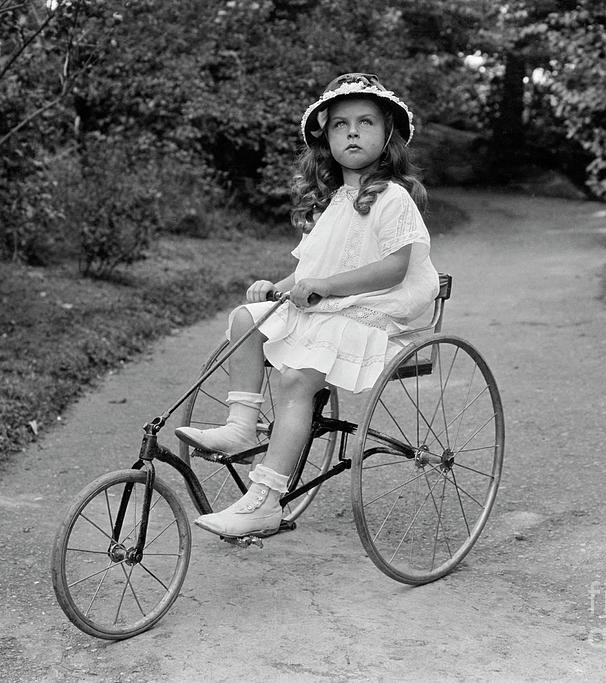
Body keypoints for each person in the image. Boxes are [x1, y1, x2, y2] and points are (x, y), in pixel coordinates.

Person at [176, 72, 440, 537]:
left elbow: (393, 270)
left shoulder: (393, 199)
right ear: (326, 139)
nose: (352, 132)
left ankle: (265, 497)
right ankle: (241, 423)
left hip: (373, 311)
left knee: (297, 378)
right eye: (340, 125)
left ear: (387, 136)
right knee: (245, 318)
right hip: (329, 304)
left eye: (365, 123)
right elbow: (308, 270)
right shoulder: (336, 202)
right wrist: (274, 288)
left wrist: (326, 287)